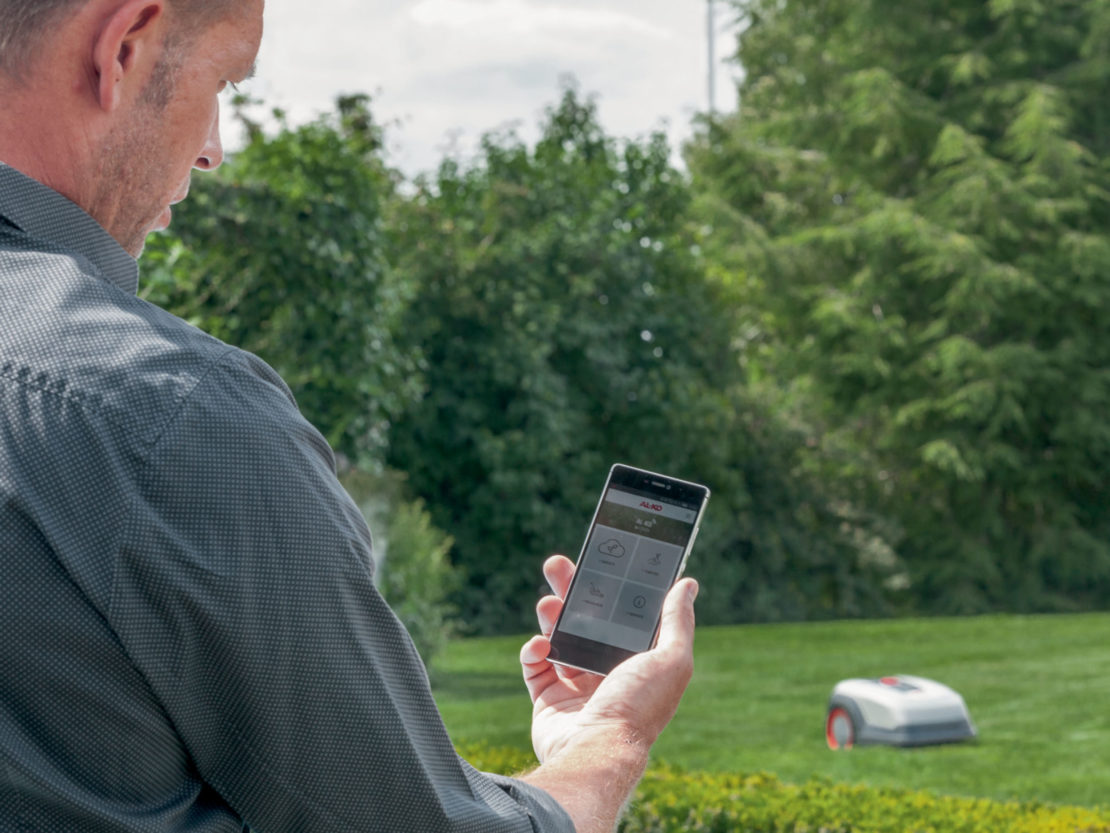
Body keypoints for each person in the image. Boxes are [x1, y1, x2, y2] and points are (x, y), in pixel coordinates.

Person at [0, 1, 699, 831]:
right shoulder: (172, 418)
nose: (212, 149)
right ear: (122, 47)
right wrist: (610, 737)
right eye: (221, 79)